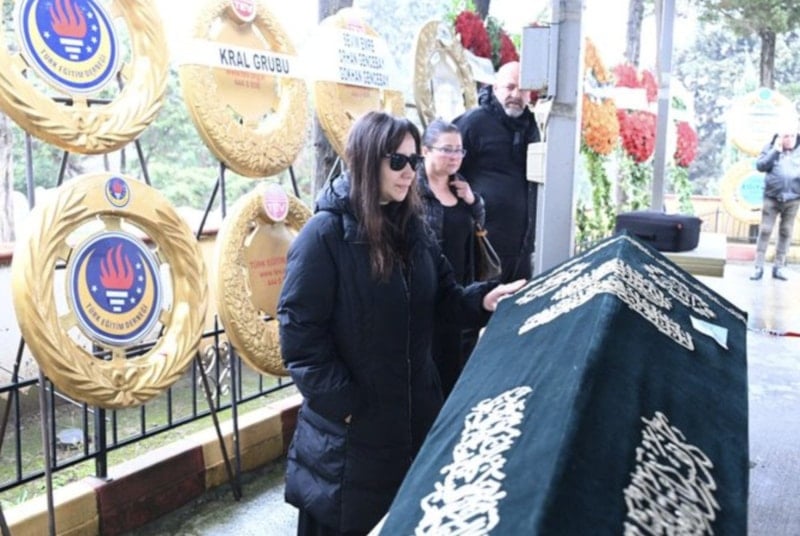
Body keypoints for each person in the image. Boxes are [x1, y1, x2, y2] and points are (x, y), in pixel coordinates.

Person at [277, 111, 525, 536]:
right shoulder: (324, 235)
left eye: (414, 160)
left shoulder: (414, 229)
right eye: (398, 161)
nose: (410, 172)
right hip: (350, 441)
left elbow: (444, 299)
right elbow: (300, 335)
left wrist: (484, 299)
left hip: (412, 421)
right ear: (367, 160)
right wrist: (345, 405)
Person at [454, 60, 541, 283]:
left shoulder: (534, 127)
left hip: (521, 250)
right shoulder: (473, 123)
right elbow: (446, 168)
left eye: (523, 89)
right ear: (495, 88)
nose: (516, 94)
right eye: (509, 87)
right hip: (483, 246)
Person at [417, 118, 486, 397]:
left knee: (459, 362)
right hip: (426, 292)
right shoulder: (411, 190)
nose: (454, 157)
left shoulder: (460, 185)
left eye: (459, 150)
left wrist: (473, 201)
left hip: (461, 286)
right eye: (447, 149)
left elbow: (479, 227)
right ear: (425, 150)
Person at [750, 127, 800, 281]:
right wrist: (775, 151)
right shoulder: (770, 148)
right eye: (786, 136)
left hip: (793, 199)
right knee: (765, 230)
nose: (790, 139)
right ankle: (758, 267)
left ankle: (779, 267)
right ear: (780, 137)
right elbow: (760, 166)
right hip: (771, 198)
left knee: (786, 231)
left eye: (793, 136)